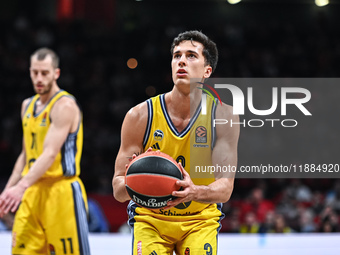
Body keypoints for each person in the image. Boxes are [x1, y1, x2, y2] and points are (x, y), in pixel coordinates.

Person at [113, 30, 239, 254]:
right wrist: (135, 182)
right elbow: (118, 189)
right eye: (176, 55)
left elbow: (225, 189)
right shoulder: (139, 116)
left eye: (191, 55)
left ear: (207, 70)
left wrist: (195, 191)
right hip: (150, 219)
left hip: (199, 219)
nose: (181, 60)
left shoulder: (223, 117)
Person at [0, 48, 91, 254]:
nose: (39, 78)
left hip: (61, 190)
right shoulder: (27, 105)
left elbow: (50, 154)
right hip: (32, 190)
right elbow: (25, 155)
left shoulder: (64, 105)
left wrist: (20, 187)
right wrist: (8, 190)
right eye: (35, 72)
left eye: (45, 73)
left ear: (56, 73)